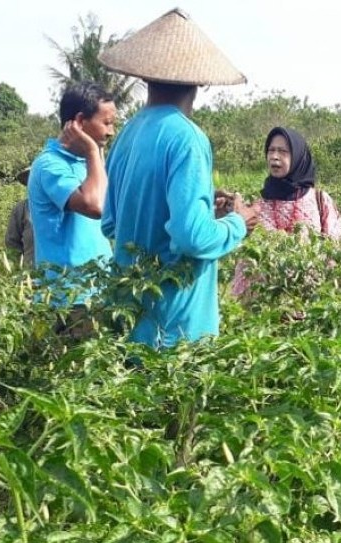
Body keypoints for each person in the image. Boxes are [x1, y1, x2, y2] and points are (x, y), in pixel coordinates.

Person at [98, 8, 259, 349]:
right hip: (175, 332)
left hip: (127, 317)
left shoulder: (127, 134)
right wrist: (237, 222)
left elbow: (112, 224)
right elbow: (192, 239)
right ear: (199, 81)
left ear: (146, 78)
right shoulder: (188, 138)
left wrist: (201, 212)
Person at [27, 81, 116, 315]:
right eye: (106, 123)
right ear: (79, 122)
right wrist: (91, 151)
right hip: (68, 301)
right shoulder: (49, 165)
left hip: (101, 291)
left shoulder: (92, 162)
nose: (111, 131)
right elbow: (94, 205)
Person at [229, 126, 341, 297]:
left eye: (283, 151)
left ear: (298, 157)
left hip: (313, 310)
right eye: (271, 150)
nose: (275, 157)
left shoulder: (320, 200)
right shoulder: (257, 204)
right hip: (265, 311)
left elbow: (338, 251)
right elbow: (245, 260)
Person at [4, 167, 34, 267]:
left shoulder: (67, 204)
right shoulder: (22, 208)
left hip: (66, 275)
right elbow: (12, 243)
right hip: (31, 274)